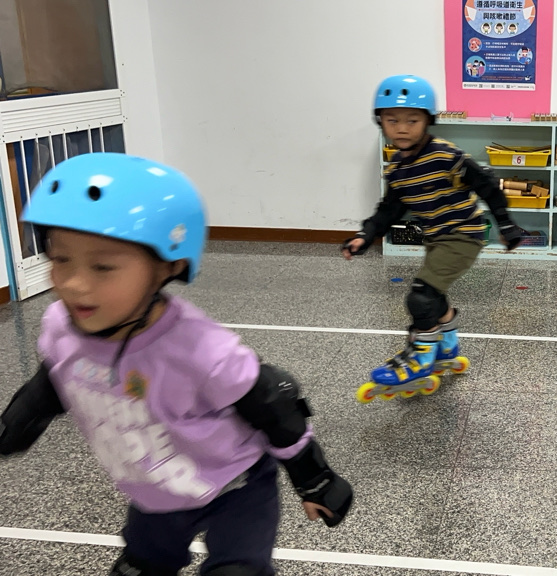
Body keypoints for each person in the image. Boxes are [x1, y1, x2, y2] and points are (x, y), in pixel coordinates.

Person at [0, 153, 353, 575]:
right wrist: (13, 427)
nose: (75, 283)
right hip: (154, 492)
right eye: (60, 260)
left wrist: (315, 479)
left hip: (235, 486)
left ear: (169, 265)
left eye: (103, 266)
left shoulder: (201, 349)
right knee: (142, 567)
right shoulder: (61, 326)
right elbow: (52, 384)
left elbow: (274, 404)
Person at [343, 74, 522, 402]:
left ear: (427, 121)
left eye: (412, 120)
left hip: (463, 234)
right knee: (433, 295)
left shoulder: (444, 155)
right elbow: (389, 209)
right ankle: (447, 347)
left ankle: (422, 358)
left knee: (420, 298)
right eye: (392, 120)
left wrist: (506, 225)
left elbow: (486, 184)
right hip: (437, 238)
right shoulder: (397, 168)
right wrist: (365, 235)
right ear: (381, 122)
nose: (402, 128)